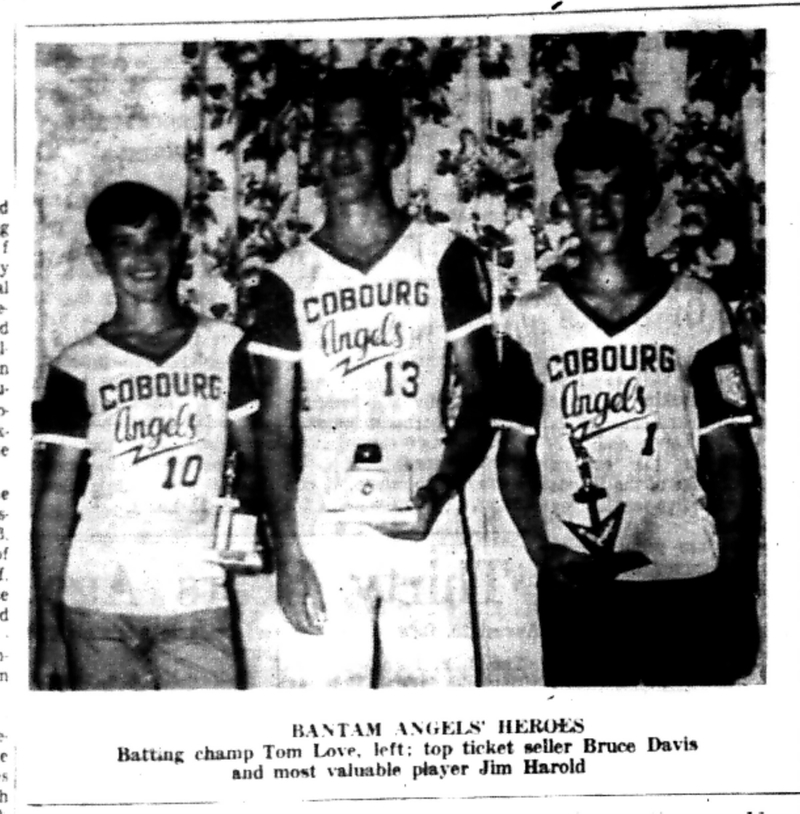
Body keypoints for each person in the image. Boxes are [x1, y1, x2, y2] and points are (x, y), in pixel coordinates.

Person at [243, 67, 496, 687]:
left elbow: (482, 393)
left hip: (423, 503)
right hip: (326, 514)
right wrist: (290, 552)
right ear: (312, 150)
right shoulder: (286, 277)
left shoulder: (444, 255)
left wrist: (438, 490)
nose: (344, 151)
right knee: (317, 717)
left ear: (392, 146)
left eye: (362, 133)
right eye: (329, 134)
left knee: (440, 720)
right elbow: (274, 429)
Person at [495, 116, 761, 686]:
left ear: (644, 195)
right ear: (564, 201)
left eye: (614, 189)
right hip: (580, 584)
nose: (600, 209)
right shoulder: (531, 318)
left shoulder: (696, 305)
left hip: (686, 576)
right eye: (583, 193)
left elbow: (730, 453)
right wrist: (542, 551)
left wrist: (737, 581)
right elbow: (514, 454)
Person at [32, 181, 260, 690]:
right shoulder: (76, 365)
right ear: (98, 258)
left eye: (157, 238)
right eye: (124, 242)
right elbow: (54, 502)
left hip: (195, 596)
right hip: (96, 603)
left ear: (180, 245)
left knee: (209, 753)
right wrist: (48, 629)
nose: (144, 256)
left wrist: (239, 518)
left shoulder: (225, 346)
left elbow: (255, 457)